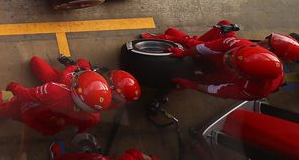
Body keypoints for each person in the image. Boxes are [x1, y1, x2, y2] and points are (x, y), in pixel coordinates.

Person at [147, 26, 285, 99]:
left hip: (223, 76)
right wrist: (181, 50)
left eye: (232, 63)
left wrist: (192, 84)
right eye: (232, 55)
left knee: (200, 79)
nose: (227, 58)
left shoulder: (253, 90)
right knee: (223, 27)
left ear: (247, 76)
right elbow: (203, 47)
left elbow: (216, 91)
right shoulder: (239, 44)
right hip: (218, 60)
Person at [0, 70, 111, 135]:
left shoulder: (55, 91)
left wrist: (13, 87)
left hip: (34, 112)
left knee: (17, 107)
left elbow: (26, 95)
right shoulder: (94, 117)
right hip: (51, 126)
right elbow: (78, 129)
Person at [143, 20, 299, 63]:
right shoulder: (265, 61)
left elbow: (202, 48)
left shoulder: (243, 48)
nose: (264, 40)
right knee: (224, 24)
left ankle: (168, 39)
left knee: (171, 32)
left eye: (268, 43)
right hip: (221, 55)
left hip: (214, 59)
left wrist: (170, 40)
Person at [30, 55, 140, 110]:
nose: (109, 76)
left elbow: (66, 80)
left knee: (36, 62)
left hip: (68, 88)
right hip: (78, 86)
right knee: (82, 62)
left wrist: (72, 67)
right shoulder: (113, 100)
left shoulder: (96, 96)